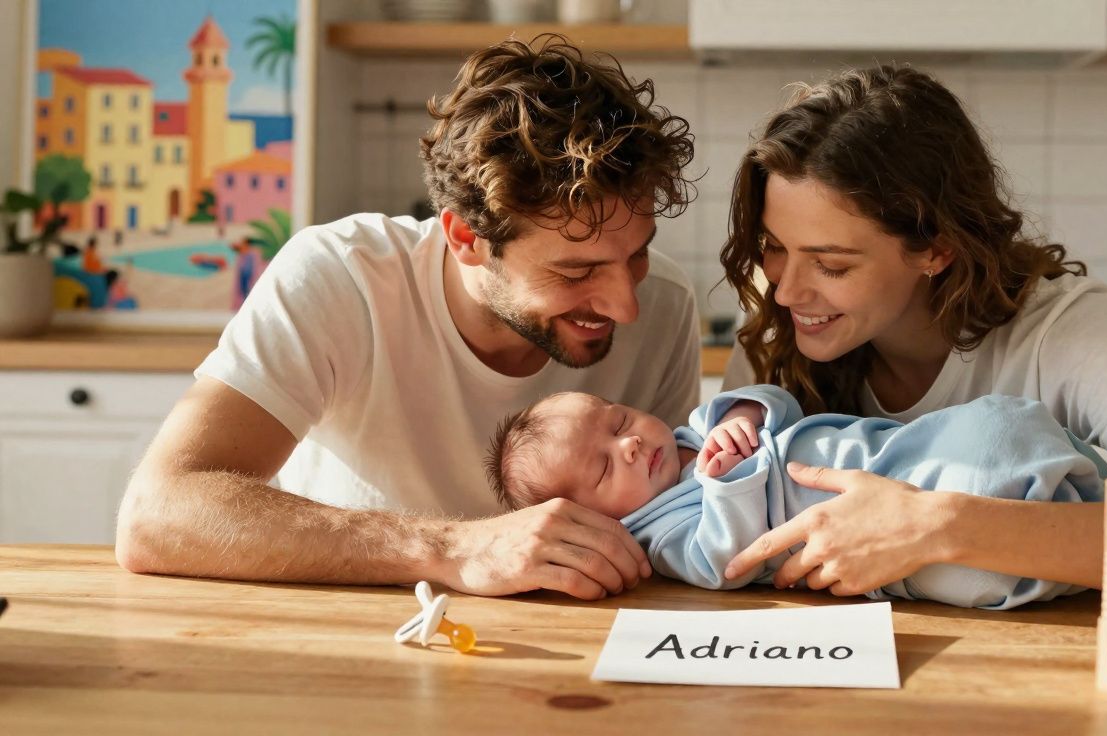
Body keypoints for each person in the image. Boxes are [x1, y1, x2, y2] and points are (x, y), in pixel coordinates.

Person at [115, 36, 702, 601]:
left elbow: (685, 520)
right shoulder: (341, 278)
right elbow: (159, 512)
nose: (626, 305)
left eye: (638, 253)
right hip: (359, 654)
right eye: (576, 273)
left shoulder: (667, 305)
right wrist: (452, 547)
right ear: (467, 237)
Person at [714, 65, 1107, 600]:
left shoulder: (1062, 332)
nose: (786, 291)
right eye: (773, 247)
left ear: (936, 248)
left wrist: (938, 526)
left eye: (831, 265)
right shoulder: (777, 329)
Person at [486, 384, 1107, 609]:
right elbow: (723, 564)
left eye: (618, 420)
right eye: (602, 469)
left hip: (888, 457)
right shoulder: (660, 535)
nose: (628, 445)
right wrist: (726, 480)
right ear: (594, 518)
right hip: (872, 552)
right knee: (971, 572)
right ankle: (1067, 545)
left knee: (988, 435)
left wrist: (742, 413)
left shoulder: (700, 425)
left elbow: (782, 402)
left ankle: (1083, 481)